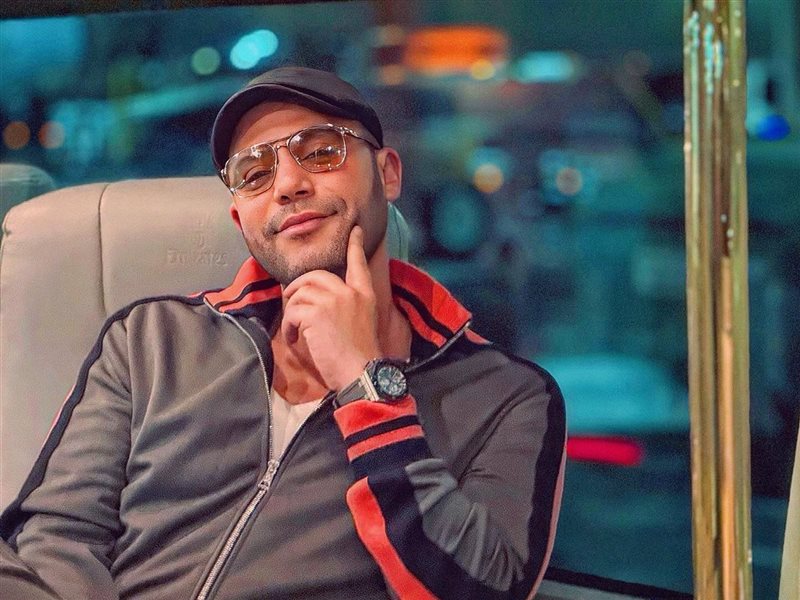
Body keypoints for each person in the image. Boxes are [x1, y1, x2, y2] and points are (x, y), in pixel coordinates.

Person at [0, 66, 566, 599]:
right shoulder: (150, 339)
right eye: (254, 174)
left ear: (388, 174)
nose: (288, 184)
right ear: (239, 218)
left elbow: (481, 587)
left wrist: (366, 385)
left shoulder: (506, 396)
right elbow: (57, 537)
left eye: (321, 152)